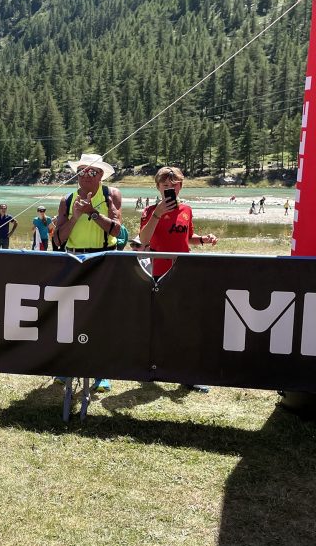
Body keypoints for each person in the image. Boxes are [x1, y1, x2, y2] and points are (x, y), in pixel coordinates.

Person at [138, 165, 218, 393]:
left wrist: (203, 239)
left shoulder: (187, 210)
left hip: (184, 271)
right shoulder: (150, 211)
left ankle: (187, 374)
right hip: (159, 273)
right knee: (160, 322)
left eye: (174, 185)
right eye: (165, 186)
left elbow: (186, 237)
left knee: (187, 323)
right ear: (158, 187)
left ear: (181, 186)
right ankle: (152, 368)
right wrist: (157, 214)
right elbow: (144, 240)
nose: (169, 189)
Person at [54, 152, 122, 391]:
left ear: (101, 175)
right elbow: (59, 239)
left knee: (101, 316)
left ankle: (101, 372)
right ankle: (67, 367)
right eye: (81, 171)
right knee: (71, 316)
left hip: (103, 258)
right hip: (74, 257)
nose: (85, 175)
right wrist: (75, 217)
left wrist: (93, 213)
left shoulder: (111, 195)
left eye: (91, 171)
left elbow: (116, 231)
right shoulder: (67, 199)